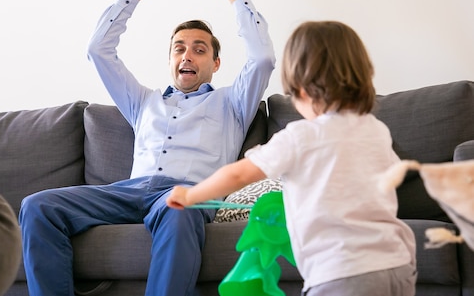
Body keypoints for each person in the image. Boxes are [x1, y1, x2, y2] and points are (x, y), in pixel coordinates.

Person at [18, 0, 276, 296]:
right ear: (170, 59)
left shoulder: (233, 103)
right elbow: (98, 52)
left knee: (178, 207)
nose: (188, 55)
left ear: (215, 64)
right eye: (179, 48)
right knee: (37, 206)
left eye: (200, 50)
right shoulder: (143, 102)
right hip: (128, 192)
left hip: (185, 193)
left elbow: (263, 60)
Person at [167, 20, 417, 296]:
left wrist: (191, 196)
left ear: (299, 86)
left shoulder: (300, 136)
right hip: (398, 262)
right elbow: (392, 176)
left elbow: (238, 175)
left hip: (340, 269)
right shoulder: (376, 130)